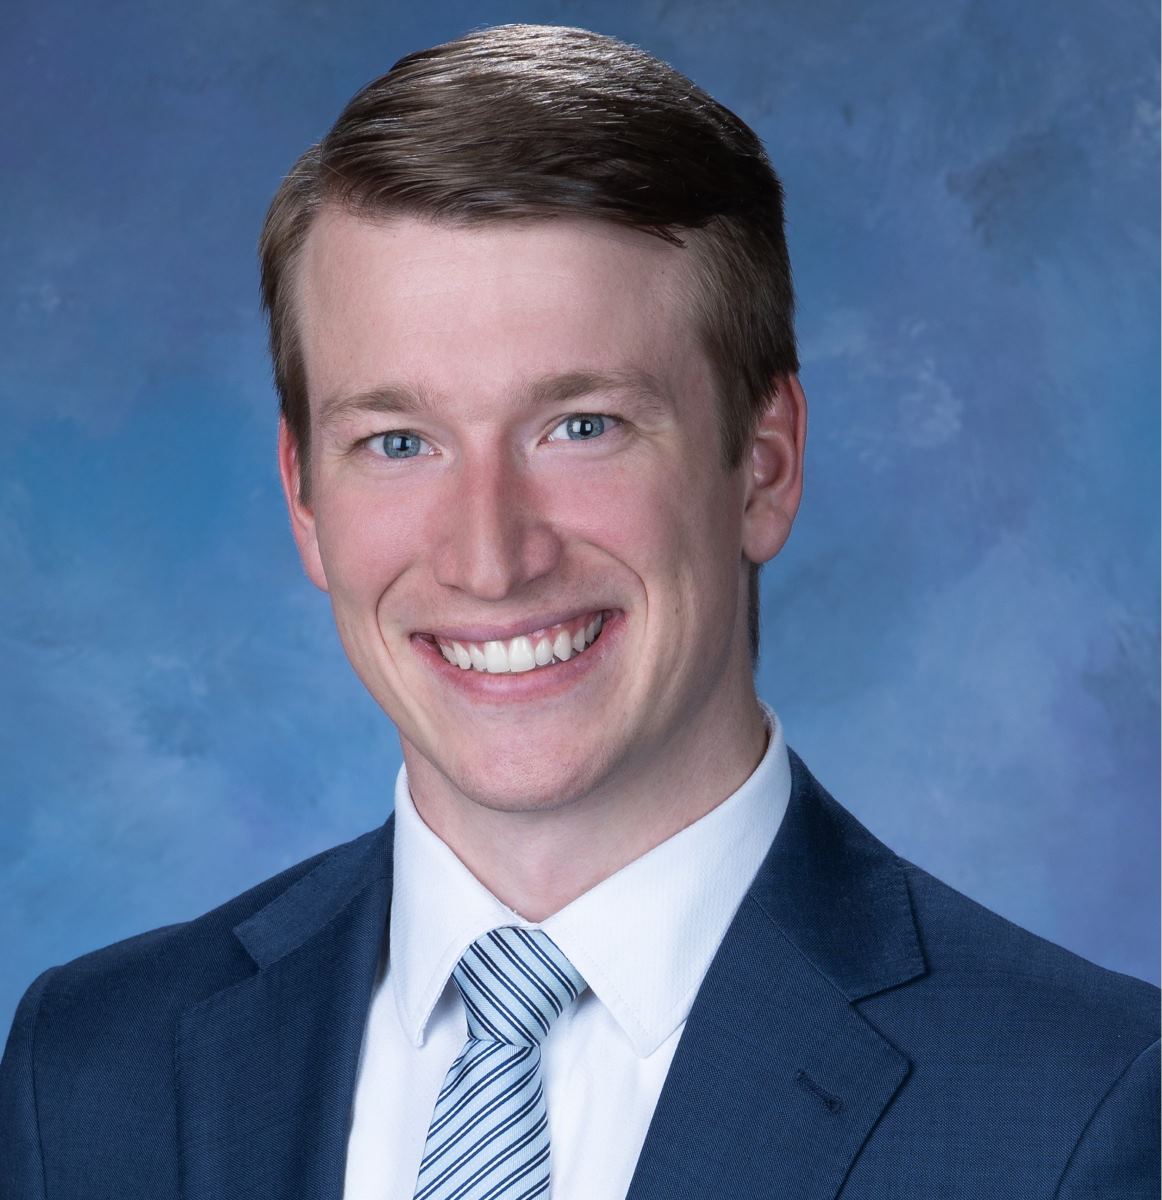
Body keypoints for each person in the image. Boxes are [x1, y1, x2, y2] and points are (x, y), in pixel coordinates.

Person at [1, 22, 1157, 1200]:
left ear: (763, 463)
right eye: (398, 442)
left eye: (581, 427)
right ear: (303, 499)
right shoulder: (93, 1068)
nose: (490, 556)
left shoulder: (1084, 1109)